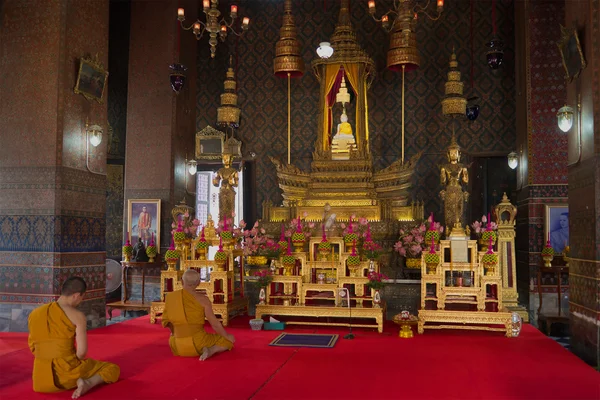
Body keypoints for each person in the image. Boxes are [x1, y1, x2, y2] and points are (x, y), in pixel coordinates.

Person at [28, 277, 119, 398]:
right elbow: (81, 353)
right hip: (67, 374)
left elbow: (32, 346)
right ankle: (88, 383)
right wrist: (69, 362)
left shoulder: (35, 313)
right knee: (112, 368)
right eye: (82, 297)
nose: (81, 301)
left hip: (40, 378)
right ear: (76, 295)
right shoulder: (77, 316)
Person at [162, 269, 235, 360]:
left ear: (182, 281)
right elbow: (215, 324)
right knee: (227, 341)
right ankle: (211, 350)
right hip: (198, 343)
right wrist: (227, 336)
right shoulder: (203, 300)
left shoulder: (171, 297)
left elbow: (166, 322)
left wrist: (175, 332)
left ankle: (207, 349)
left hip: (176, 345)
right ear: (198, 283)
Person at [439, 136, 469, 232]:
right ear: (448, 154)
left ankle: (460, 228)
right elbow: (443, 182)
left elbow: (465, 181)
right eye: (451, 152)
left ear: (458, 154)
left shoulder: (462, 166)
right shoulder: (445, 167)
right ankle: (448, 229)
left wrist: (465, 173)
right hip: (449, 191)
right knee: (449, 211)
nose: (453, 154)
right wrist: (443, 173)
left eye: (455, 152)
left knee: (459, 211)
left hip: (458, 190)